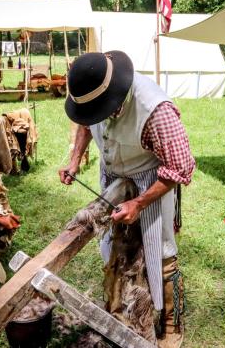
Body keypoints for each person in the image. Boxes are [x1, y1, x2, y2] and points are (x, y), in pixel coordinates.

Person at [59, 51, 195, 348]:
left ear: (115, 96)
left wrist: (139, 203)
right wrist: (74, 161)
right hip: (113, 176)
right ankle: (121, 310)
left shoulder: (154, 110)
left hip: (151, 180)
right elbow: (85, 125)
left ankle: (171, 324)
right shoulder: (92, 97)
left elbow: (181, 168)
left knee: (161, 253)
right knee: (115, 248)